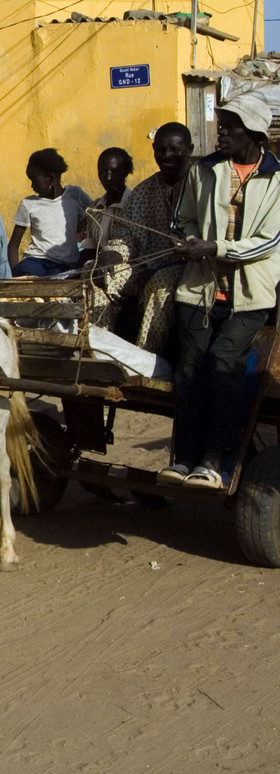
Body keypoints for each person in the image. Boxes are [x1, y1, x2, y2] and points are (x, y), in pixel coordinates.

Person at [163, 95, 280, 489]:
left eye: (230, 125)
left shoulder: (277, 178)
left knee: (223, 362)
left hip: (250, 296)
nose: (221, 131)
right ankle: (185, 458)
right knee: (191, 367)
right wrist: (191, 240)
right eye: (221, 123)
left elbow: (269, 241)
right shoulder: (205, 170)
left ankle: (217, 458)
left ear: (254, 132)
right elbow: (185, 219)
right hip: (199, 290)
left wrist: (215, 247)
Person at [89, 124, 192, 351]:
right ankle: (99, 353)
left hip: (192, 268)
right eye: (160, 150)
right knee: (101, 278)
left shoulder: (202, 183)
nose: (166, 156)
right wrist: (112, 255)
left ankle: (145, 357)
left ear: (189, 149)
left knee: (161, 283)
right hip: (148, 265)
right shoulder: (145, 191)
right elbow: (126, 235)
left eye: (174, 150)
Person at [8, 148, 92, 277]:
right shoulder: (28, 204)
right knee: (30, 276)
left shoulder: (75, 195)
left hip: (66, 264)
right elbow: (14, 244)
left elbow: (97, 213)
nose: (32, 186)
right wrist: (15, 274)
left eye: (34, 180)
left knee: (59, 282)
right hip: (36, 261)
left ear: (51, 178)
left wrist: (83, 223)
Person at [86, 146, 134, 252]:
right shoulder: (94, 208)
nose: (108, 178)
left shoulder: (134, 205)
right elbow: (91, 247)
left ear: (125, 172)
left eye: (114, 172)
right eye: (102, 172)